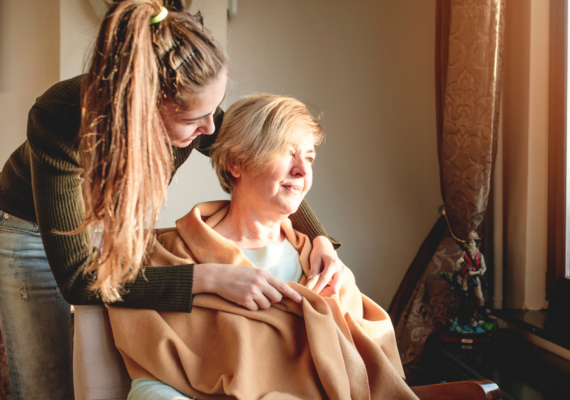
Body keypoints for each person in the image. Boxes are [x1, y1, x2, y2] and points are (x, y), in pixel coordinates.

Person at [0, 2, 343, 399]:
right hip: (28, 230)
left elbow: (255, 158)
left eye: (213, 110)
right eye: (194, 120)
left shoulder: (195, 106)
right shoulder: (59, 118)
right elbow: (79, 280)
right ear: (143, 107)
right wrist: (212, 277)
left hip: (107, 224)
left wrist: (318, 237)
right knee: (48, 385)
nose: (210, 129)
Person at [109, 94, 414, 400]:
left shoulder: (323, 268)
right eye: (286, 152)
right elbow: (151, 386)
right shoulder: (172, 254)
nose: (302, 171)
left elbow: (369, 377)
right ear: (236, 163)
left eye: (309, 157)